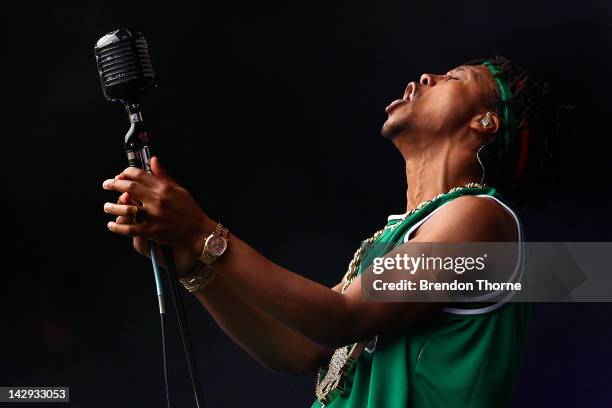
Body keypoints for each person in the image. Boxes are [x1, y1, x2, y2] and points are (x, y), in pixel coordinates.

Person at [101, 55, 566, 407]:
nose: (426, 77)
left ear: (485, 121)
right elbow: (302, 348)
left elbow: (341, 317)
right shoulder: (401, 233)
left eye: (454, 78)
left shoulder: (483, 218)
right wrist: (190, 261)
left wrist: (203, 232)